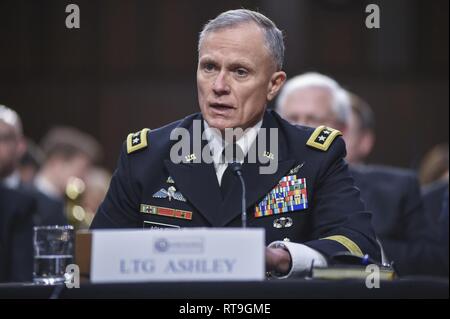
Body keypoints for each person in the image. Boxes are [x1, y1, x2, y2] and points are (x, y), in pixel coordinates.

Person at [91, 9, 380, 277]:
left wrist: (283, 257)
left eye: (239, 71)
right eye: (209, 67)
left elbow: (357, 244)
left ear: (274, 84)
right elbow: (95, 256)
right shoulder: (147, 155)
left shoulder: (314, 156)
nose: (218, 86)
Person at [276, 74, 441, 276]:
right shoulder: (254, 182)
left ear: (342, 130)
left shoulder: (396, 189)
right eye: (291, 118)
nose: (300, 127)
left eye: (313, 119)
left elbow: (434, 262)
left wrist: (358, 238)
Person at [33, 126, 101, 226]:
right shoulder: (27, 202)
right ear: (57, 163)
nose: (85, 178)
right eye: (81, 169)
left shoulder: (65, 205)